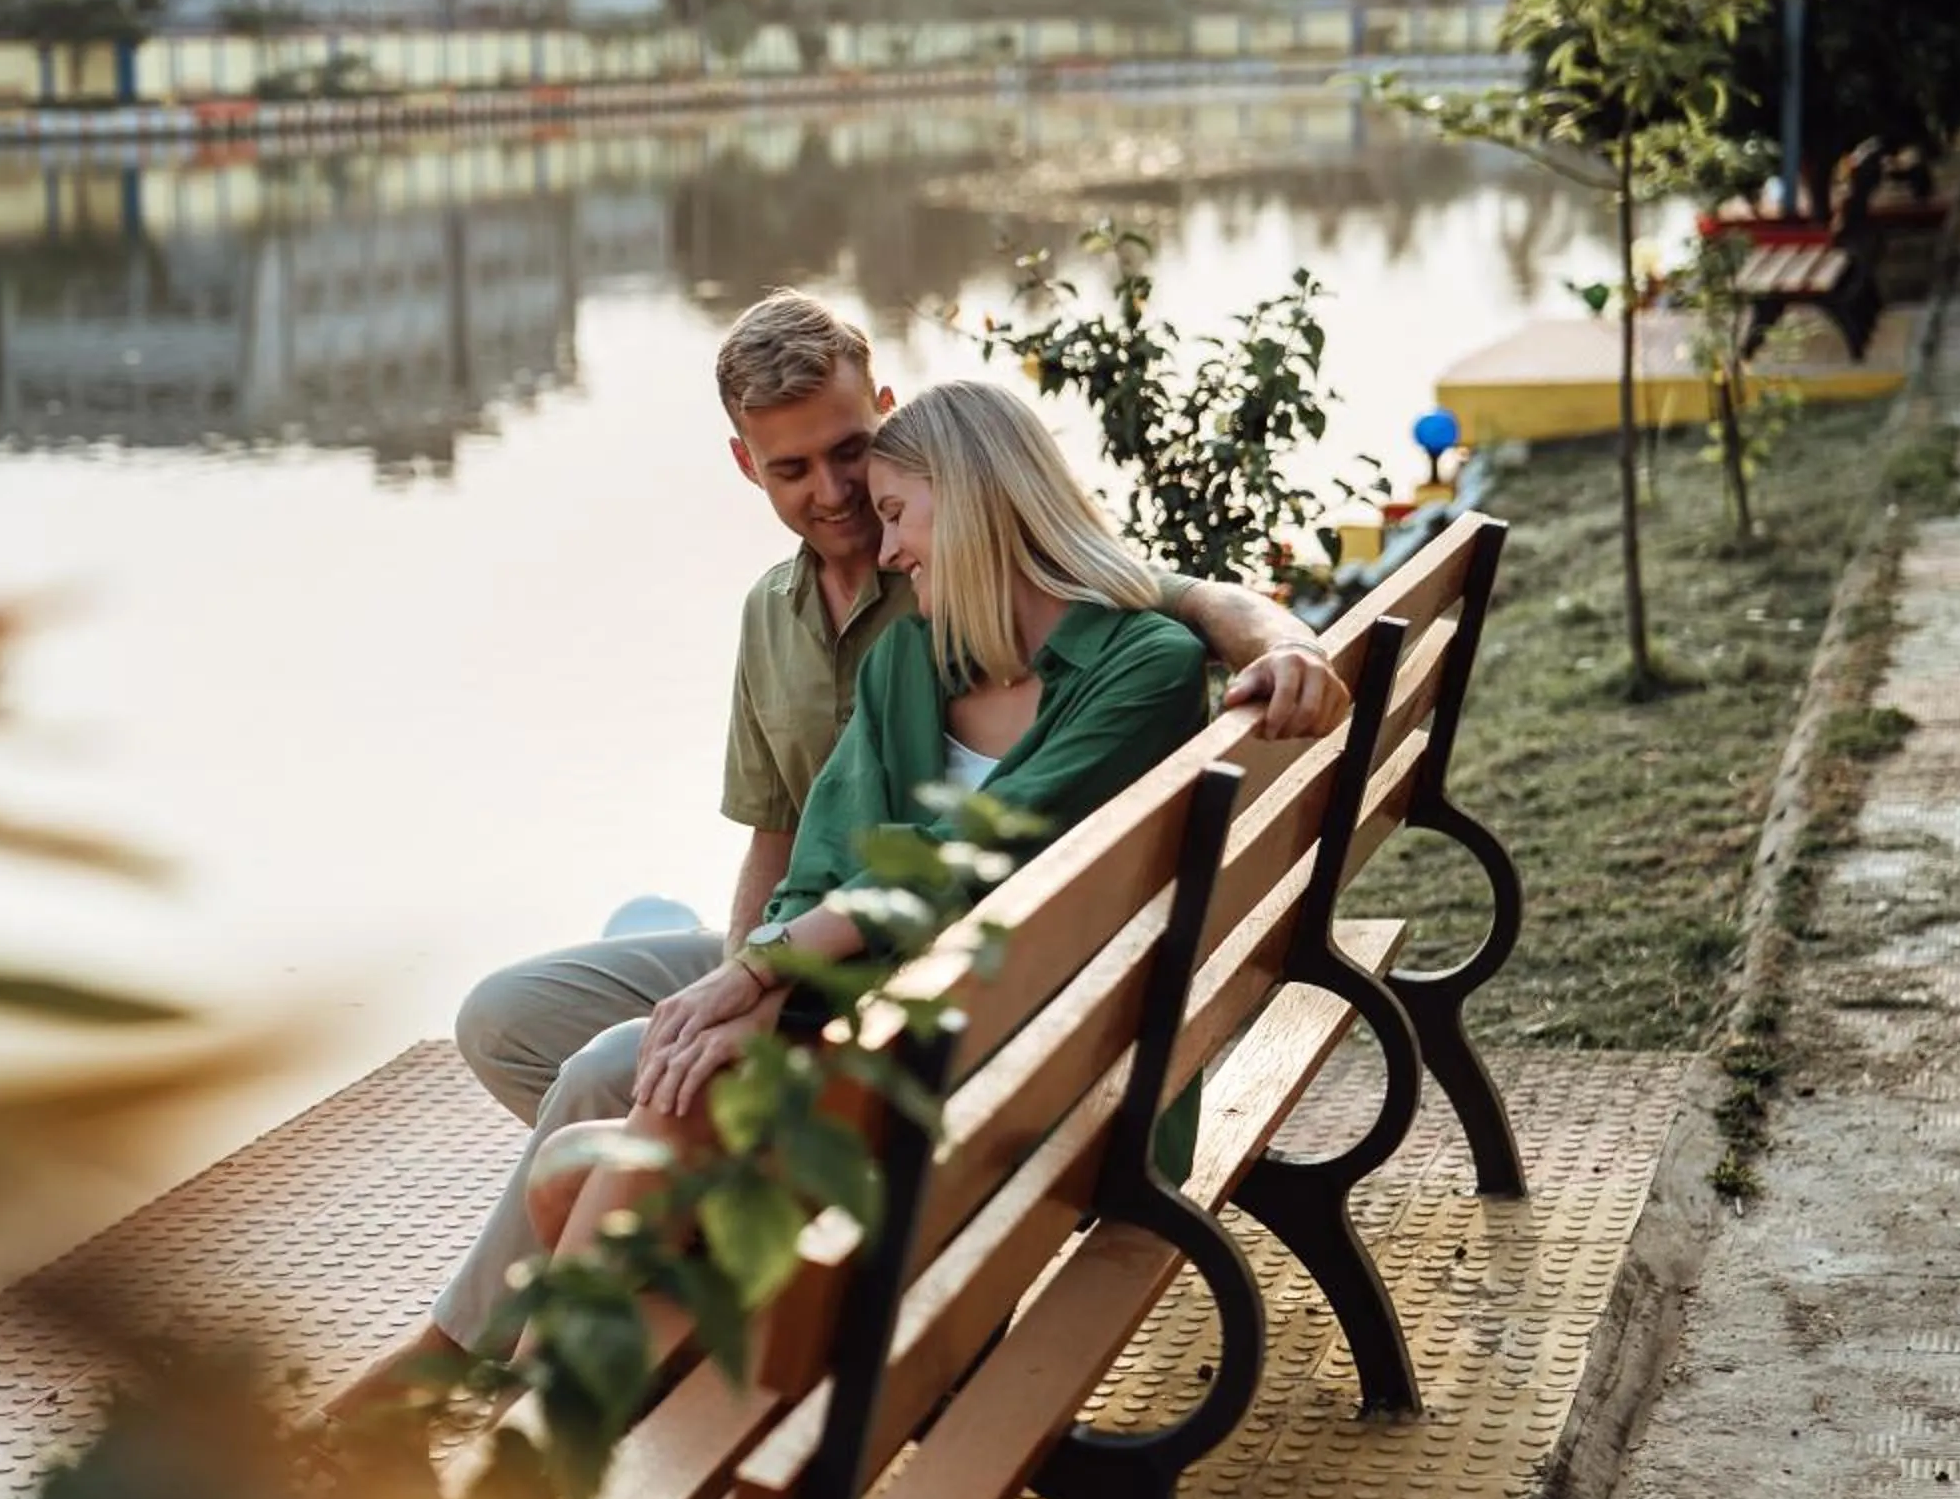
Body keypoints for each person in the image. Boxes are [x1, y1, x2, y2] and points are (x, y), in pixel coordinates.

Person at [329, 292, 1345, 1413]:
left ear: (914, 446)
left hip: (973, 1020)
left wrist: (1283, 636)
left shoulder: (1034, 613)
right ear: (747, 464)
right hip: (855, 967)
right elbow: (790, 838)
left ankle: (492, 1386)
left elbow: (1005, 819)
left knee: (613, 1109)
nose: (844, 499)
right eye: (793, 468)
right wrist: (753, 978)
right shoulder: (847, 632)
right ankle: (564, 1388)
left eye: (860, 462)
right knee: (543, 1038)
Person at [535, 378, 1210, 1267]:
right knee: (581, 1165)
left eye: (896, 514)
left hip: (1052, 1085)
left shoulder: (1146, 669)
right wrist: (765, 997)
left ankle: (541, 1367)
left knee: (627, 1146)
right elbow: (821, 861)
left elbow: (969, 859)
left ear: (970, 501)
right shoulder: (910, 664)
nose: (888, 550)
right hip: (913, 1050)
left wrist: (766, 980)